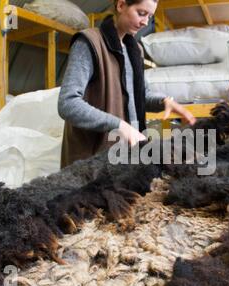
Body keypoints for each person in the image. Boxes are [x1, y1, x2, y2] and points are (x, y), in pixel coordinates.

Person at [58, 0, 196, 168]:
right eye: (141, 13)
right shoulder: (89, 43)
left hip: (125, 156)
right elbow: (68, 103)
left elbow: (139, 95)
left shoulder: (135, 49)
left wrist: (164, 101)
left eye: (150, 16)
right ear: (121, 5)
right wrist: (119, 125)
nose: (145, 22)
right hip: (91, 162)